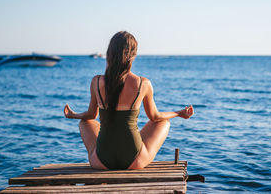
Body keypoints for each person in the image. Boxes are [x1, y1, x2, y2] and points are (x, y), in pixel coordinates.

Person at [63, 31, 194, 170]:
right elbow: (155, 117)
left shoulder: (96, 82)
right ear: (133, 55)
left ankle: (95, 155)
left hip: (101, 161)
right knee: (163, 123)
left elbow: (91, 115)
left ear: (109, 54)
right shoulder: (143, 83)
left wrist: (73, 115)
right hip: (134, 161)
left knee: (85, 123)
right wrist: (179, 113)